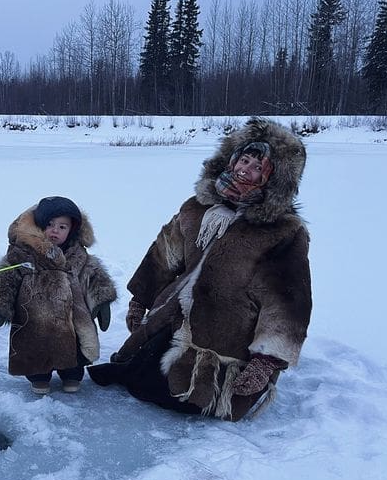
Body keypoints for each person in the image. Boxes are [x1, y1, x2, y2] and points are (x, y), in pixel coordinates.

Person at [88, 118, 312, 421]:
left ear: (273, 178)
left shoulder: (281, 232)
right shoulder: (197, 208)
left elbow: (287, 302)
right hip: (177, 314)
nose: (246, 169)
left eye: (258, 167)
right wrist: (140, 299)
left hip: (230, 331)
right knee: (134, 376)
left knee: (190, 401)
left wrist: (266, 362)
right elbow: (165, 252)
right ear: (231, 161)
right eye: (244, 160)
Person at [0, 196, 117, 395]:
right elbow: (5, 277)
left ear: (72, 230)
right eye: (50, 224)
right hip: (33, 318)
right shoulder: (23, 254)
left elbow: (94, 276)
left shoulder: (79, 256)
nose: (55, 230)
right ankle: (39, 378)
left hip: (72, 319)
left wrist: (103, 301)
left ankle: (71, 374)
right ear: (39, 226)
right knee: (35, 349)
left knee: (74, 349)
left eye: (62, 227)